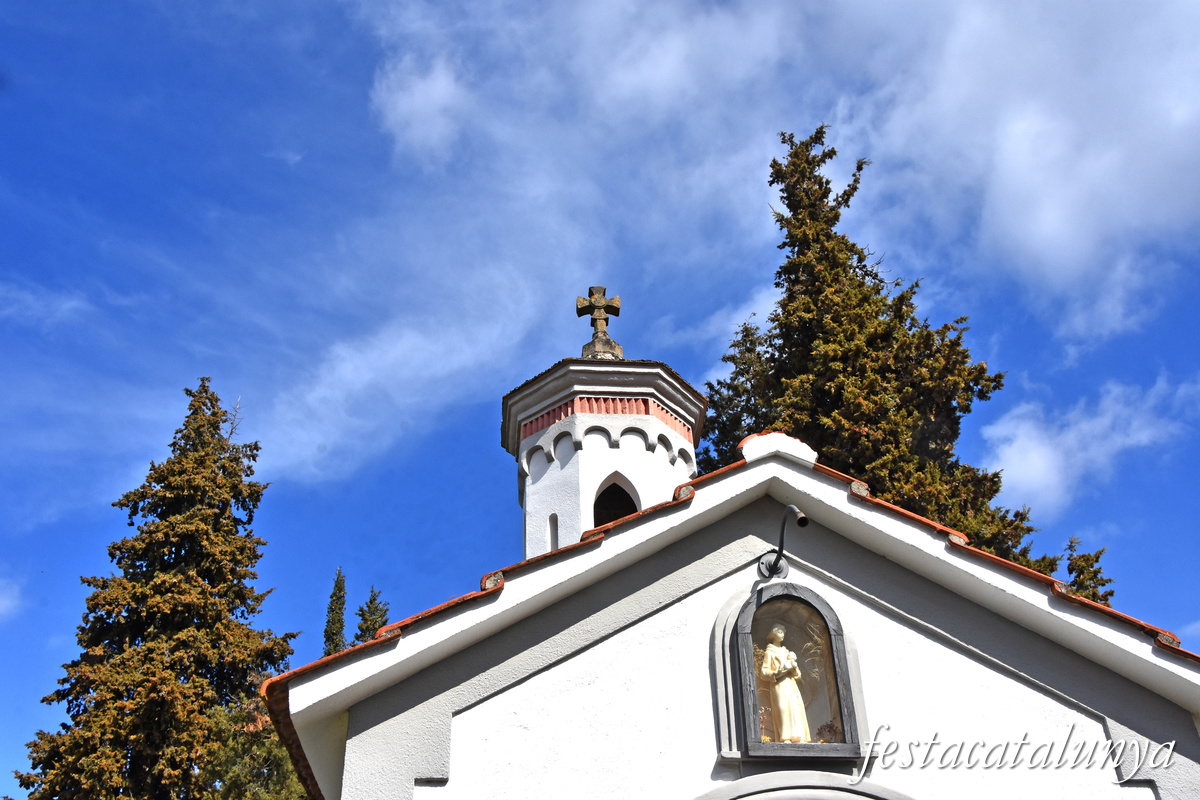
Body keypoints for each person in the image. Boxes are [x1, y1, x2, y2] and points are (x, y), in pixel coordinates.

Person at [760, 623, 810, 743]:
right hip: (779, 684)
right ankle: (785, 737)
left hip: (791, 684)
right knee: (783, 709)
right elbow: (763, 672)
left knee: (795, 708)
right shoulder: (769, 652)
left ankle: (798, 736)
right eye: (780, 632)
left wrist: (793, 666)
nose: (782, 635)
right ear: (773, 633)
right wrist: (776, 673)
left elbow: (797, 674)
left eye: (784, 632)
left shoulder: (787, 652)